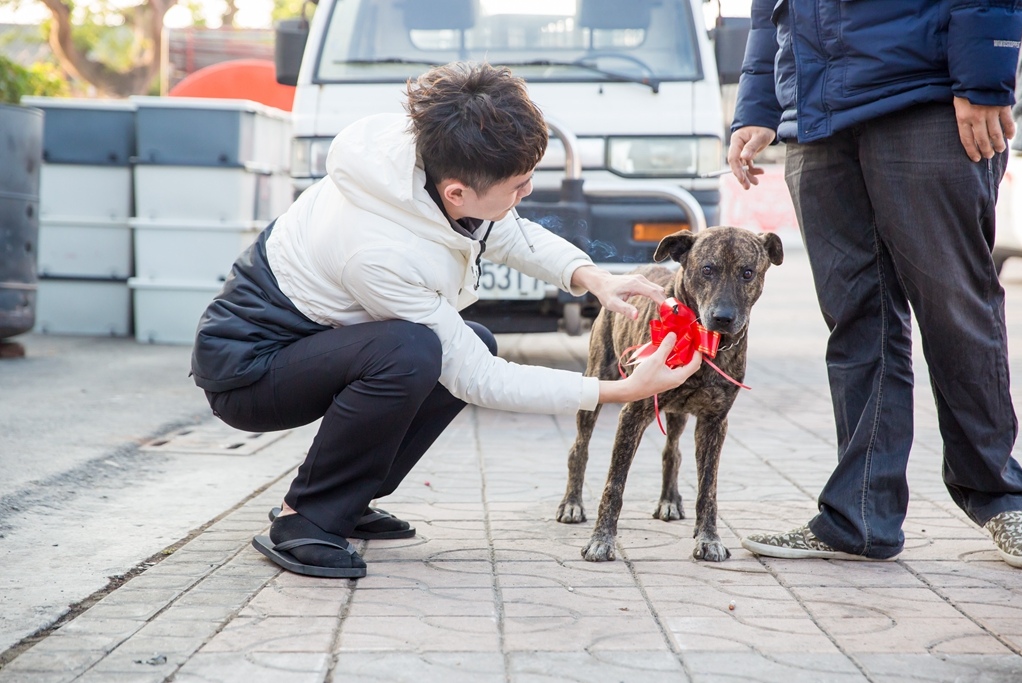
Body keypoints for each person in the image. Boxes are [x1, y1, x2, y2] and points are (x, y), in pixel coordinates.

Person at [190, 62, 702, 579]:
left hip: (309, 344)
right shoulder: (377, 251)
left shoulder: (432, 160)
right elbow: (478, 378)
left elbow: (502, 230)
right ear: (457, 193)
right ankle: (304, 519)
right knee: (411, 354)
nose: (527, 193)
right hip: (249, 372)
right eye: (519, 185)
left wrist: (593, 278)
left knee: (469, 340)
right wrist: (619, 390)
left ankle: (347, 499)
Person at [726, 2, 1022, 567]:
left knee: (953, 305)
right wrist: (759, 104)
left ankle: (1002, 497)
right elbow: (770, 9)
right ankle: (860, 514)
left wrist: (983, 77)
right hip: (816, 113)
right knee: (856, 318)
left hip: (924, 97)